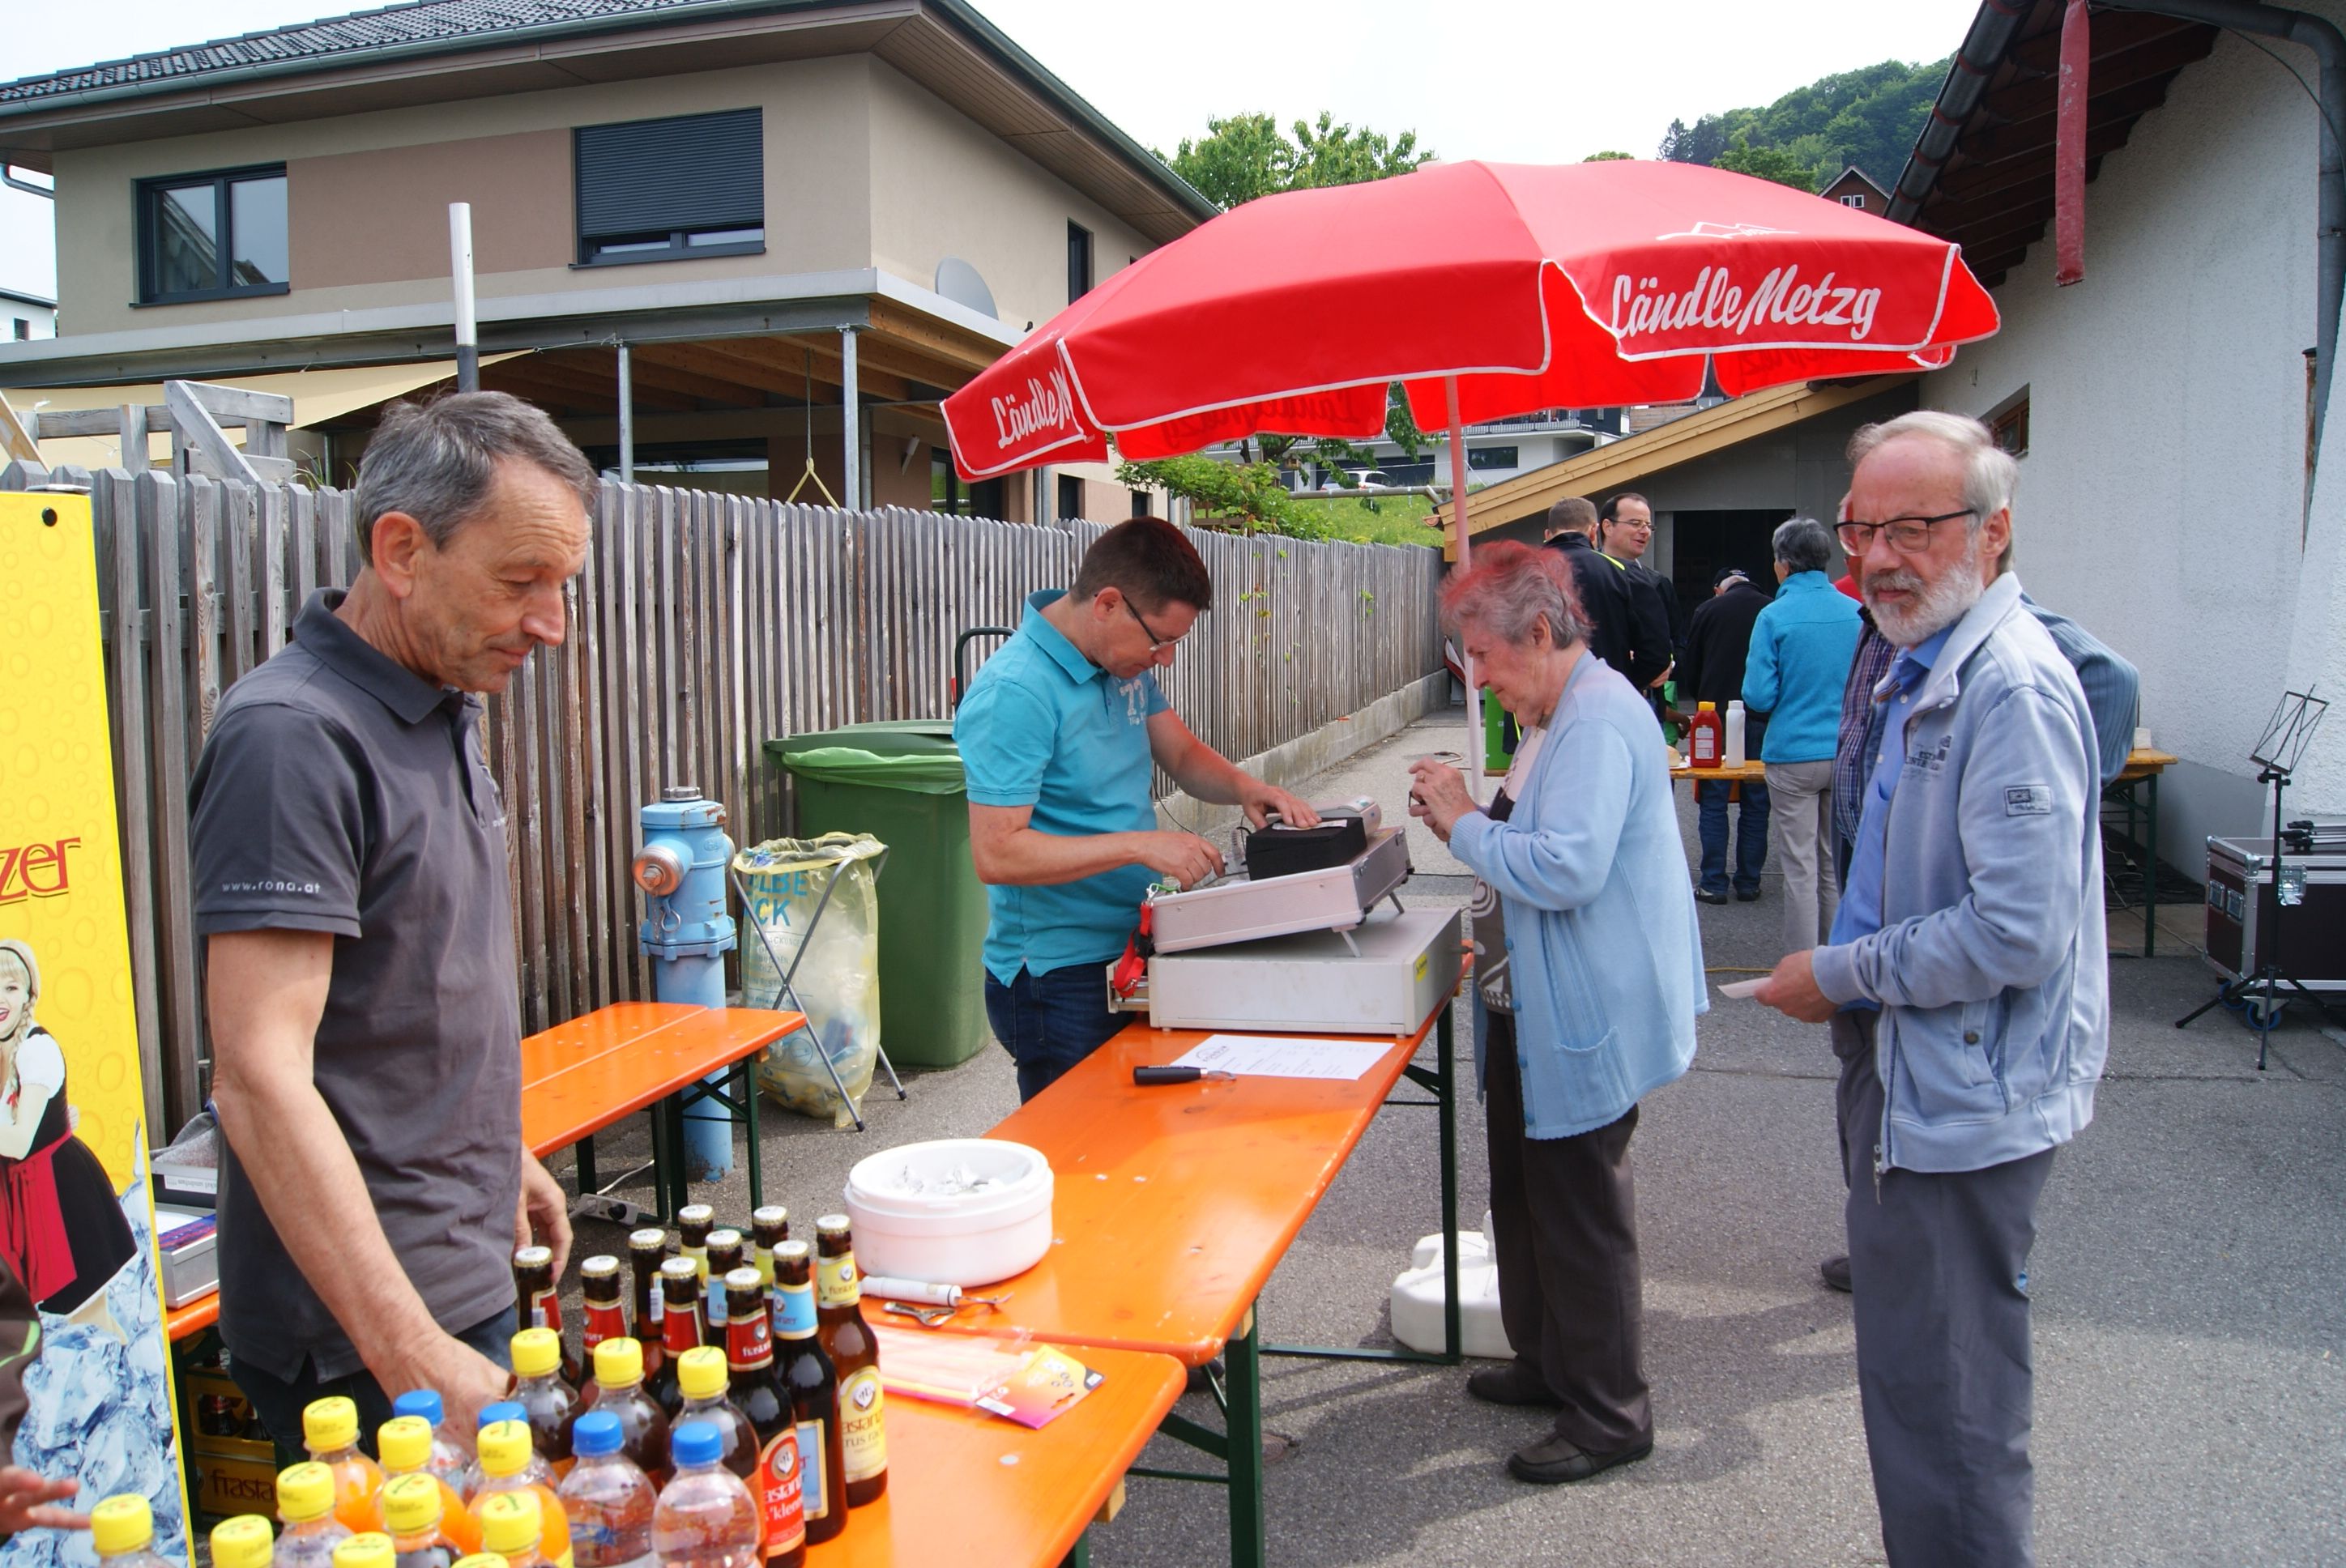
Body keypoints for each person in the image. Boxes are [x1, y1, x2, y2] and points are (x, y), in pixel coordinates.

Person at [190, 393, 593, 1450]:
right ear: (402, 551)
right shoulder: (293, 739)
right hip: (364, 1338)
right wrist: (407, 1353)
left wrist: (497, 1154)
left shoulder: (435, 696)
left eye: (560, 585)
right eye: (521, 582)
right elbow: (258, 1078)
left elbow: (407, 997)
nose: (551, 624)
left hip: (461, 1265)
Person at [1756, 410, 2107, 1567]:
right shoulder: (1925, 659)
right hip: (1913, 1066)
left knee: (1950, 1415)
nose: (1880, 559)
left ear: (1993, 531)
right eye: (1863, 531)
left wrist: (1838, 972)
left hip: (1962, 1094)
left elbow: (2017, 931)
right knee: (1919, 1391)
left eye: (1915, 528)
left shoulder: (2009, 686)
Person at [1405, 542, 1703, 1487]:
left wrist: (1461, 822)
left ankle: (1610, 1412)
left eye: (1484, 656)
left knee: (1579, 1212)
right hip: (1527, 999)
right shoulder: (1554, 714)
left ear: (1539, 632)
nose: (1478, 677)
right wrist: (1469, 821)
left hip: (1582, 1006)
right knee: (1525, 1195)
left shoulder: (1598, 718)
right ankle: (1545, 1359)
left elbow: (1567, 867)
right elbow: (1527, 837)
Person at [955, 518, 1317, 1102]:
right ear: (1107, 605)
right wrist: (1141, 846)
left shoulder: (1118, 663)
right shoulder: (1014, 692)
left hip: (1134, 946)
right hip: (1058, 978)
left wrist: (1245, 788)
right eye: (1159, 641)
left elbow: (1180, 753)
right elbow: (997, 854)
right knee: (1084, 1150)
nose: (1165, 659)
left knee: (1149, 1132)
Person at [0, 940, 134, 1342]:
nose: (1, 999)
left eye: (11, 987)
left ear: (29, 994)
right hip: (22, 1199)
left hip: (58, 1197)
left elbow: (20, 1142)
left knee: (90, 1324)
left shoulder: (35, 1048)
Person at [1742, 517, 1862, 955]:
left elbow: (1758, 695)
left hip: (1793, 753)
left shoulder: (1773, 616)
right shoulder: (1855, 612)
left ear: (1784, 564)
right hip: (1843, 752)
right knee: (1832, 864)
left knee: (1799, 866)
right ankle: (1834, 959)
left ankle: (1801, 965)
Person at [1675, 567, 1772, 904]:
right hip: (1760, 716)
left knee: (1713, 800)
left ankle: (1713, 883)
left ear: (1719, 589)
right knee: (1756, 802)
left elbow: (1691, 664)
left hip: (1712, 716)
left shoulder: (1708, 609)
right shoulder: (1770, 608)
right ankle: (1749, 882)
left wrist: (1703, 694)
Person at [1539, 497, 1641, 684]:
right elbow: (1655, 650)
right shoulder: (1620, 571)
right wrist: (1628, 681)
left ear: (1548, 534)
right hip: (1607, 688)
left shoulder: (1522, 573)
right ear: (1594, 531)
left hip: (1541, 691)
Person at [1592, 492, 1678, 708]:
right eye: (1635, 523)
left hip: (1648, 701)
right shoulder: (1588, 579)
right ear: (1607, 527)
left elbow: (1679, 640)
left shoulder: (1658, 583)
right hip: (1599, 697)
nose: (1644, 531)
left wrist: (1668, 662)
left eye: (1648, 525)